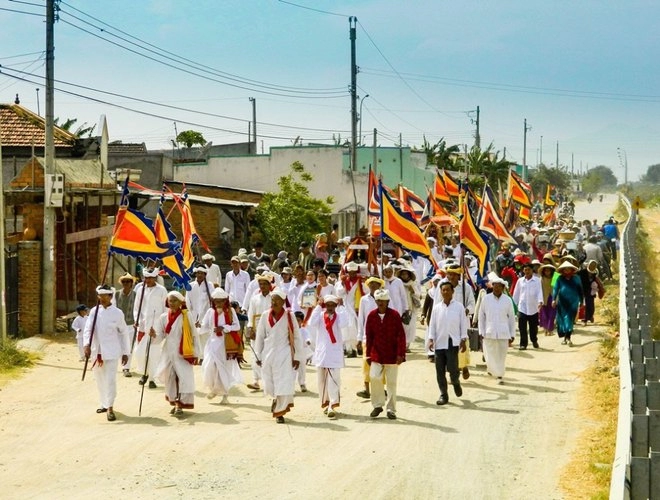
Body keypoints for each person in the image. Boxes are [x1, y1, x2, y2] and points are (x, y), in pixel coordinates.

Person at [254, 288, 305, 424]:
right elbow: (259, 336)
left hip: (284, 353)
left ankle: (279, 412)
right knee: (269, 383)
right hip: (268, 353)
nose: (273, 303)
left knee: (283, 382)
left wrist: (298, 357)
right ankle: (276, 399)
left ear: (283, 302)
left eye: (276, 300)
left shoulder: (290, 316)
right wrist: (258, 356)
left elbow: (297, 337)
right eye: (272, 300)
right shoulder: (265, 315)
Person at [83, 285, 130, 422]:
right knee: (100, 380)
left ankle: (110, 407)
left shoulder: (117, 313)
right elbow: (88, 329)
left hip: (112, 351)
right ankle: (104, 403)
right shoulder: (94, 311)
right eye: (100, 296)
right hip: (97, 351)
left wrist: (126, 352)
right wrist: (86, 344)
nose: (102, 298)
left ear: (110, 296)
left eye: (105, 296)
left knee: (110, 380)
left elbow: (123, 333)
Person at [153, 291, 200, 416]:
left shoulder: (186, 316)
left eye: (175, 300)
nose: (172, 303)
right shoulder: (163, 317)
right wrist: (153, 335)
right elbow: (160, 336)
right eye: (170, 300)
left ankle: (180, 404)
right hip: (168, 352)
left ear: (180, 302)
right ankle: (175, 401)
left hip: (183, 352)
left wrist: (196, 352)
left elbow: (194, 334)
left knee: (183, 377)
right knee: (170, 377)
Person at [365, 289, 406, 420]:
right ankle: (377, 405)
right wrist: (368, 354)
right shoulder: (371, 316)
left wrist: (401, 353)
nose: (381, 303)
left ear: (388, 301)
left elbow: (401, 335)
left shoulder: (394, 315)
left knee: (391, 383)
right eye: (378, 301)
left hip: (392, 354)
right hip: (376, 353)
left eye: (383, 301)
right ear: (376, 301)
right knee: (374, 377)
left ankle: (391, 409)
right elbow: (369, 336)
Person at [426, 279, 468, 405]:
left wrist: (463, 339)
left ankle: (455, 382)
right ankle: (443, 394)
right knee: (439, 370)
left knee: (452, 368)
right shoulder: (437, 308)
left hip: (452, 342)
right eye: (443, 290)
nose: (445, 292)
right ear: (441, 292)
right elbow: (432, 324)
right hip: (439, 342)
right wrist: (431, 339)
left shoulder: (459, 307)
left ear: (452, 292)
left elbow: (463, 324)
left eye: (448, 290)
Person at [307, 295, 347, 418]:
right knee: (322, 381)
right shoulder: (320, 316)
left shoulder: (339, 316)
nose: (330, 307)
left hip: (334, 353)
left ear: (335, 306)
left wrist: (342, 307)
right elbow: (311, 322)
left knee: (334, 379)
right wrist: (318, 306)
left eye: (332, 305)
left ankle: (332, 404)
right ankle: (326, 402)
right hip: (322, 353)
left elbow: (345, 323)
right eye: (327, 305)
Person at [200, 288, 242, 403]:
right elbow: (205, 326)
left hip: (225, 345)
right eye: (216, 301)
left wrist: (224, 328)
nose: (218, 303)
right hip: (212, 344)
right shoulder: (210, 312)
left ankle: (225, 396)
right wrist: (197, 327)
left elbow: (237, 326)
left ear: (225, 301)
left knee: (224, 368)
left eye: (220, 301)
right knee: (209, 365)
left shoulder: (230, 311)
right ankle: (214, 388)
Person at [435, 264, 475, 379]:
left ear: (459, 276)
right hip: (446, 323)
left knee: (461, 346)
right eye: (449, 274)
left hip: (461, 323)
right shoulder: (442, 286)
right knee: (447, 347)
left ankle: (463, 366)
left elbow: (472, 303)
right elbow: (437, 304)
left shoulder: (465, 287)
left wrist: (466, 310)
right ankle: (454, 370)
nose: (451, 277)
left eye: (453, 275)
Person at [133, 268, 168, 389]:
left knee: (153, 353)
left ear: (155, 278)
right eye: (146, 278)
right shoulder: (140, 290)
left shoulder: (162, 290)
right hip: (143, 325)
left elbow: (166, 308)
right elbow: (136, 308)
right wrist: (136, 320)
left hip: (157, 327)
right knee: (140, 353)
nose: (147, 280)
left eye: (150, 278)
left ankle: (152, 378)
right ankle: (145, 373)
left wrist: (164, 324)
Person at [478, 276, 516, 385]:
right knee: (490, 354)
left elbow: (512, 318)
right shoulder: (486, 299)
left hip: (503, 332)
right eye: (495, 286)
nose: (497, 288)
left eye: (499, 286)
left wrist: (512, 333)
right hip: (489, 332)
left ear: (503, 288)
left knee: (501, 355)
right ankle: (493, 370)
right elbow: (481, 316)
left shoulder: (507, 300)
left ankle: (499, 375)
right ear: (492, 287)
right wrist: (481, 331)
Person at [355, 276, 385, 398]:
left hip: (382, 336)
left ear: (379, 285)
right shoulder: (364, 300)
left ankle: (381, 389)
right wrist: (359, 337)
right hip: (367, 336)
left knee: (381, 362)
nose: (373, 286)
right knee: (366, 362)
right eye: (371, 283)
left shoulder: (384, 298)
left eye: (376, 283)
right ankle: (366, 389)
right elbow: (361, 319)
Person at [245, 273, 274, 391]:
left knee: (269, 353)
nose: (262, 286)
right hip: (256, 329)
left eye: (264, 284)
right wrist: (251, 328)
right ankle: (256, 380)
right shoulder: (254, 298)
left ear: (269, 285)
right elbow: (251, 314)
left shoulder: (274, 298)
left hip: (271, 329)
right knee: (256, 353)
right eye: (260, 284)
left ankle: (270, 380)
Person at [512, 261, 544, 350]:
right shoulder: (520, 281)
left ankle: (534, 340)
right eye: (525, 270)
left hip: (533, 307)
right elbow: (516, 293)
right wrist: (514, 304)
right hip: (522, 307)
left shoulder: (537, 280)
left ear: (532, 270)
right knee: (522, 327)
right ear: (523, 271)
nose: (527, 271)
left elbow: (539, 292)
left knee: (533, 328)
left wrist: (540, 301)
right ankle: (523, 344)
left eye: (528, 270)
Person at [552, 261, 584, 346]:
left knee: (569, 319)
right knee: (562, 320)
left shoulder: (576, 278)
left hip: (573, 302)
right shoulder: (559, 278)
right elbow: (555, 289)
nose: (567, 271)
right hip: (562, 302)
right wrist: (553, 299)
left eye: (568, 269)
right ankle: (565, 338)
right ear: (562, 270)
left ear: (572, 269)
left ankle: (568, 338)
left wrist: (582, 301)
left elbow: (581, 290)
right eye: (565, 269)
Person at [115, 272, 137, 377]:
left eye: (128, 281)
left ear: (131, 283)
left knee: (129, 346)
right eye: (124, 281)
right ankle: (121, 364)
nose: (126, 283)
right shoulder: (116, 294)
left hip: (131, 324)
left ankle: (126, 367)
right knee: (119, 345)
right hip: (119, 325)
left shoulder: (136, 295)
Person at [538, 263, 557, 336]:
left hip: (553, 297)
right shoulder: (541, 278)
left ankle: (550, 329)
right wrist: (540, 300)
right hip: (544, 298)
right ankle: (546, 329)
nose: (547, 272)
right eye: (546, 271)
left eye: (549, 271)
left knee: (552, 314)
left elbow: (556, 288)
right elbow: (540, 289)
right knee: (544, 315)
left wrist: (556, 299)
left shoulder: (555, 277)